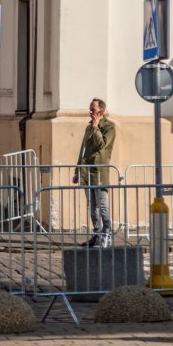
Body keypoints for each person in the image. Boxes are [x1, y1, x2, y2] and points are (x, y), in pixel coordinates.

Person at [73, 98, 116, 248]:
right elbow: (83, 149)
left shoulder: (109, 127)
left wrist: (96, 127)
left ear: (101, 112)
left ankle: (107, 233)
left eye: (93, 110)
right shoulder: (88, 127)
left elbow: (102, 145)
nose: (90, 112)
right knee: (92, 206)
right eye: (90, 109)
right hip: (86, 171)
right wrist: (77, 169)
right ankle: (97, 235)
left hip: (99, 171)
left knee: (102, 205)